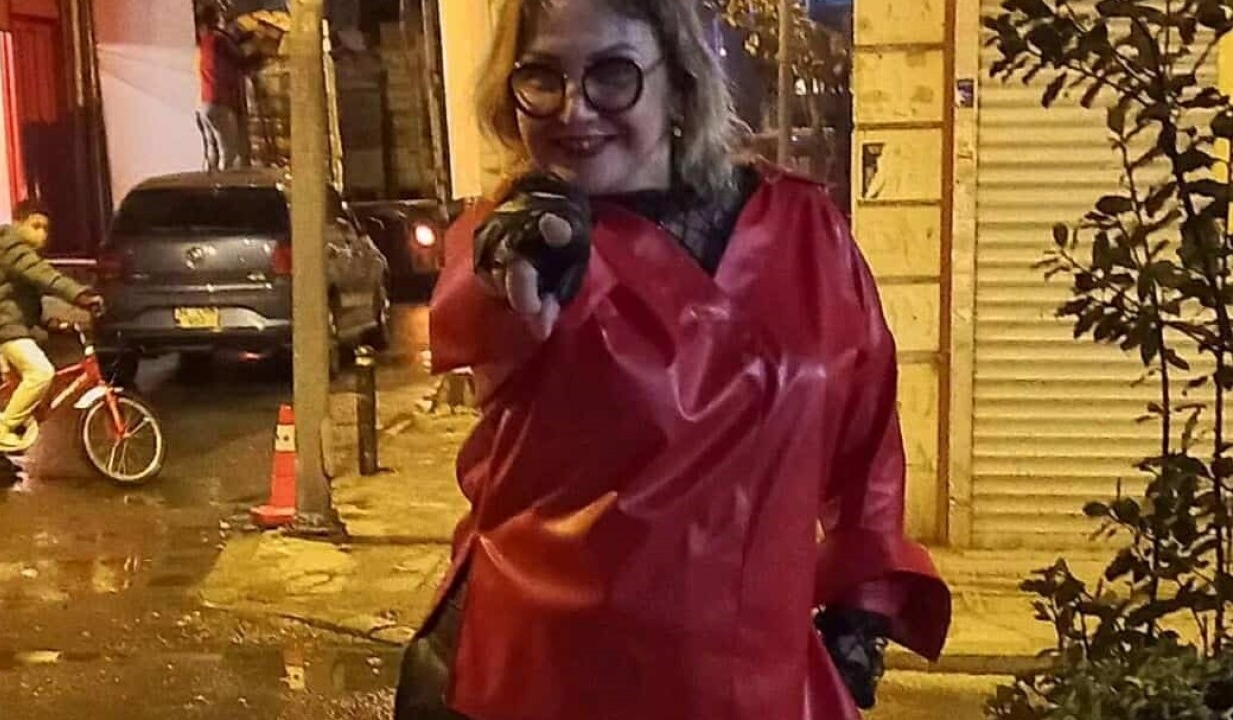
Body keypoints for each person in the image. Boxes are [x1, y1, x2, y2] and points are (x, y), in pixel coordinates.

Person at [398, 1, 952, 719]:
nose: (574, 108)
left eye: (612, 74)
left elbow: (866, 431)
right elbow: (477, 304)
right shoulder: (522, 240)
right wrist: (514, 255)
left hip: (763, 688)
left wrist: (860, 612)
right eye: (541, 76)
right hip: (540, 684)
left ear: (681, 80)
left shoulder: (807, 229)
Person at [0, 199, 105, 453]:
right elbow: (46, 277)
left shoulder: (18, 253)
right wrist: (81, 296)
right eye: (35, 226)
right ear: (17, 224)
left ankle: (4, 446)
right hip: (0, 325)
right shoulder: (12, 247)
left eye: (45, 228)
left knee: (25, 390)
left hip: (7, 322)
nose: (42, 234)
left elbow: (18, 299)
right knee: (41, 372)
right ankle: (1, 431)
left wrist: (47, 322)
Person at [195, 3, 250, 172]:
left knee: (212, 149)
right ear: (216, 19)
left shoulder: (202, 42)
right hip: (219, 102)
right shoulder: (219, 40)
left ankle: (208, 180)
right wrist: (258, 55)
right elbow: (240, 61)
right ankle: (223, 184)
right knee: (229, 152)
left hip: (203, 104)